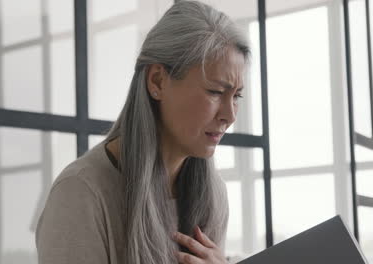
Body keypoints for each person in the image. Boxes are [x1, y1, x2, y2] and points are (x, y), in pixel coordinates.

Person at [35, 1, 250, 263]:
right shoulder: (81, 194)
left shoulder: (213, 194)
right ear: (157, 81)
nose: (230, 116)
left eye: (236, 96)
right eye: (215, 92)